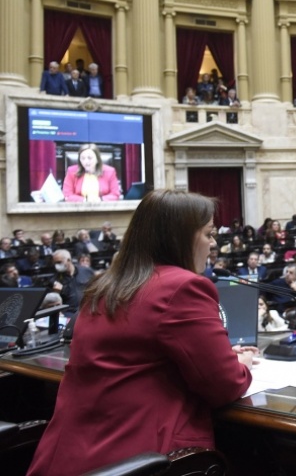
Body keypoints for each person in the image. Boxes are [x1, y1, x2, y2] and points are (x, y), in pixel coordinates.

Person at [27, 190, 255, 475]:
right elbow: (225, 384)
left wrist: (217, 354)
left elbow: (143, 358)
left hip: (69, 457)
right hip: (142, 459)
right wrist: (241, 364)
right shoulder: (184, 287)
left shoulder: (105, 285)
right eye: (208, 234)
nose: (213, 244)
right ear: (179, 237)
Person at [51, 248, 95, 313]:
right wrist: (56, 293)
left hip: (87, 310)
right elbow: (54, 304)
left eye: (59, 262)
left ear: (68, 260)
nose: (56, 265)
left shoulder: (86, 271)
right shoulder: (55, 280)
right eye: (55, 263)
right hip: (69, 313)